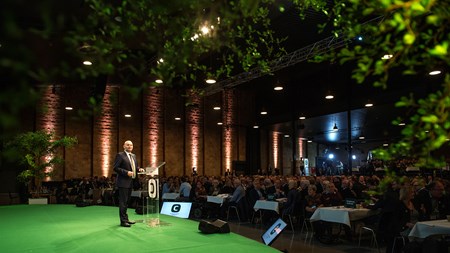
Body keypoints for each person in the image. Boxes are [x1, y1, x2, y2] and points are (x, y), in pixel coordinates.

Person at [113, 140, 143, 227]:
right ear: (124, 146)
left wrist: (138, 169)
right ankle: (123, 221)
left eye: (131, 145)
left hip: (131, 182)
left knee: (127, 202)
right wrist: (126, 172)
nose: (130, 146)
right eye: (128, 145)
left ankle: (126, 219)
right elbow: (115, 168)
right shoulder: (120, 155)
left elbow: (134, 167)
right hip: (123, 182)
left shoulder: (133, 156)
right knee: (123, 202)